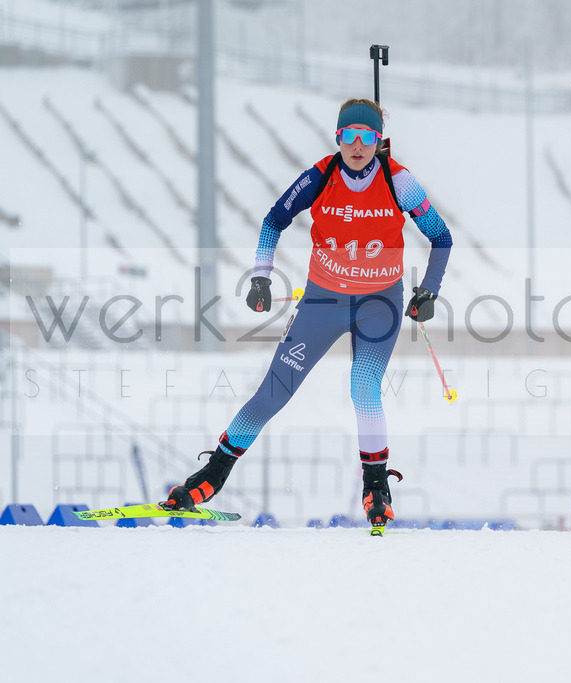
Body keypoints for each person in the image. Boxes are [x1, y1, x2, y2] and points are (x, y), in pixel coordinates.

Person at [160, 98, 453, 531]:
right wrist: (262, 276)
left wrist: (429, 290)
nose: (357, 145)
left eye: (366, 137)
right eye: (348, 136)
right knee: (273, 392)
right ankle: (212, 475)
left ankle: (376, 487)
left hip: (379, 305)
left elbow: (441, 238)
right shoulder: (321, 176)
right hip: (323, 302)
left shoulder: (399, 181)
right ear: (337, 139)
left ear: (377, 140)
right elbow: (272, 221)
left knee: (363, 387)